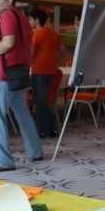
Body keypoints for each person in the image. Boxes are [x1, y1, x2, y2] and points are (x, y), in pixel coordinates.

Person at [0, 0, 43, 171]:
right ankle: (36, 151)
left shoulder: (7, 14)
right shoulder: (22, 17)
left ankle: (4, 161)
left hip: (5, 73)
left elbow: (8, 43)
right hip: (19, 72)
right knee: (22, 113)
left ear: (9, 1)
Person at [28, 9, 66, 138]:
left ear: (37, 20)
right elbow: (63, 50)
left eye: (30, 19)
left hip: (39, 70)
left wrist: (27, 63)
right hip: (51, 70)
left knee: (40, 102)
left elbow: (31, 52)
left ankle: (47, 129)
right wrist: (54, 60)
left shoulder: (37, 33)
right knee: (43, 100)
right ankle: (51, 128)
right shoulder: (53, 33)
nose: (29, 22)